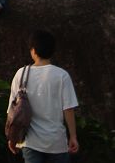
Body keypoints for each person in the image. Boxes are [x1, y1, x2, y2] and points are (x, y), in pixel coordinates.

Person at [7, 29, 79, 161]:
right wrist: (73, 136)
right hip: (56, 142)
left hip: (30, 142)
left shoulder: (21, 74)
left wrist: (13, 137)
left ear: (33, 50)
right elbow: (68, 109)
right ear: (52, 51)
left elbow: (12, 110)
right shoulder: (62, 76)